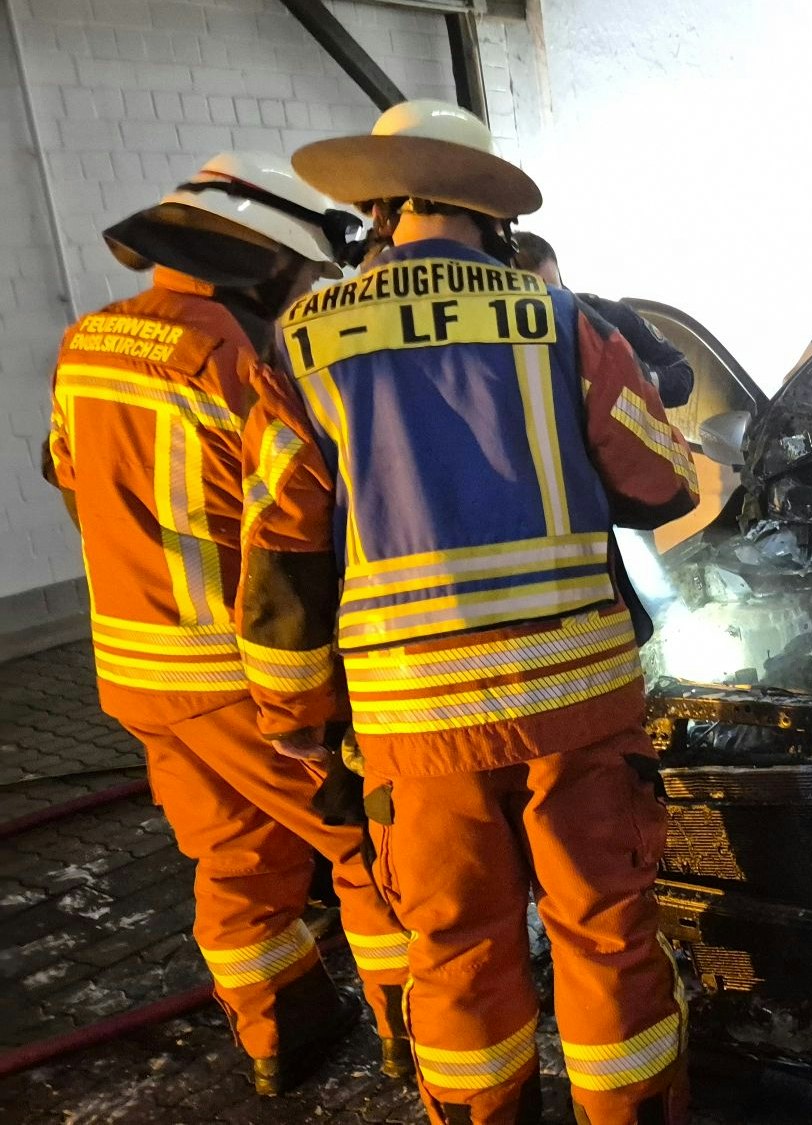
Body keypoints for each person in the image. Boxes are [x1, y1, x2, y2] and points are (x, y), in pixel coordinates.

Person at [237, 100, 700, 1125]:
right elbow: (664, 486)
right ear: (491, 215)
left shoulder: (301, 344)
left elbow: (281, 553)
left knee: (453, 950)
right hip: (575, 702)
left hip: (411, 723)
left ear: (379, 211)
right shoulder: (563, 322)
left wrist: (301, 726)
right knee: (604, 930)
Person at [41, 152, 413, 1096]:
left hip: (133, 673)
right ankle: (418, 1037)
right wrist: (316, 707)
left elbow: (69, 478)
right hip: (238, 681)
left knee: (238, 855)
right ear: (264, 261)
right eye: (304, 274)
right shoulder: (239, 358)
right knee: (367, 851)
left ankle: (279, 1042)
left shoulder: (88, 340)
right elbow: (293, 542)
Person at [512, 231, 695, 407]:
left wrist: (632, 380)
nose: (543, 311)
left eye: (553, 296)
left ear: (562, 283)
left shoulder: (610, 317)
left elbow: (682, 376)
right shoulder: (499, 346)